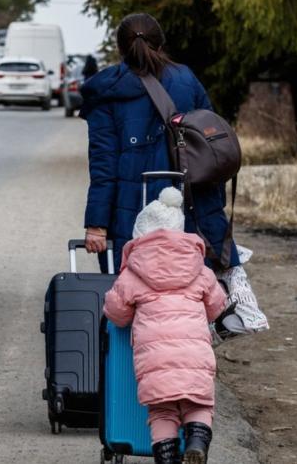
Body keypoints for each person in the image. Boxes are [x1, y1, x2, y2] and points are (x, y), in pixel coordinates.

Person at [80, 13, 240, 274]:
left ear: (121, 48)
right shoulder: (186, 79)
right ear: (161, 44)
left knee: (135, 290)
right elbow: (212, 147)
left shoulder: (106, 92)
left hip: (131, 213)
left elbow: (103, 166)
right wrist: (214, 204)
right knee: (194, 288)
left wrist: (96, 225)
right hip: (190, 204)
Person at [104, 187, 225, 464]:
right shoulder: (200, 270)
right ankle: (196, 442)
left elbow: (117, 314)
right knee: (199, 403)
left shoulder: (133, 273)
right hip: (194, 355)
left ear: (140, 236)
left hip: (155, 360)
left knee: (162, 412)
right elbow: (216, 306)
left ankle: (167, 458)